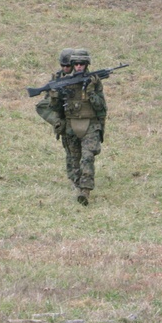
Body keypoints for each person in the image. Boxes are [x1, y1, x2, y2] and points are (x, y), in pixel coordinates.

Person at [59, 49, 107, 206]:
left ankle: (85, 191)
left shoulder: (94, 81)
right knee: (75, 160)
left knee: (87, 157)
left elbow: (101, 107)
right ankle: (77, 183)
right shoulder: (64, 82)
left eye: (82, 64)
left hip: (90, 125)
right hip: (71, 125)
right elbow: (52, 107)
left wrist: (91, 91)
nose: (79, 67)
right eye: (76, 64)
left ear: (87, 65)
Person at [35, 48, 78, 181]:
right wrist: (56, 121)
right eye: (62, 65)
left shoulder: (82, 77)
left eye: (68, 66)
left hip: (80, 119)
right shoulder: (57, 78)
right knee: (70, 152)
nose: (65, 68)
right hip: (65, 121)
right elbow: (44, 105)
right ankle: (74, 179)